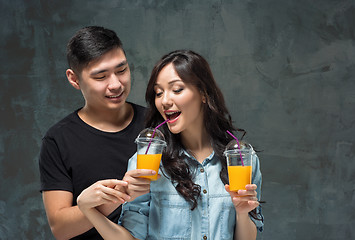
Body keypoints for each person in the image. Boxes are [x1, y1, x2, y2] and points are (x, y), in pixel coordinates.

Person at [77, 50, 264, 240]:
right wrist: (89, 211)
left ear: (203, 94)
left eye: (176, 90)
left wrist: (242, 213)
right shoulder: (147, 163)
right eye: (158, 93)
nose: (165, 101)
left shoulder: (240, 159)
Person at [39, 26, 154, 240]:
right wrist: (120, 195)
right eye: (101, 76)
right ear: (74, 79)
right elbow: (61, 228)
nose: (116, 84)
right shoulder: (58, 140)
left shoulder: (157, 126)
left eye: (122, 70)